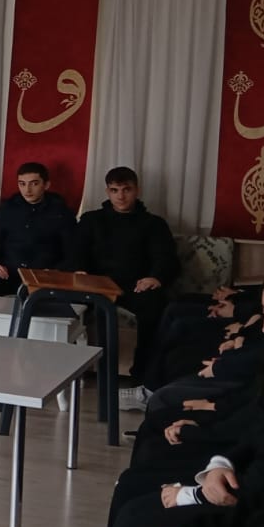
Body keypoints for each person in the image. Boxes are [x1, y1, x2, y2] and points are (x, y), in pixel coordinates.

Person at [68, 167, 180, 412]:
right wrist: (79, 271)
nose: (120, 196)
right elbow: (76, 252)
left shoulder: (153, 224)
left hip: (135, 286)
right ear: (107, 191)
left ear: (136, 190)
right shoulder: (91, 220)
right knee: (60, 303)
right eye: (115, 190)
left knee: (157, 307)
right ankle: (67, 370)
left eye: (126, 190)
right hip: (96, 285)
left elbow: (166, 258)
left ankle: (143, 376)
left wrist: (155, 277)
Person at [0, 161, 75, 295]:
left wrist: (56, 271)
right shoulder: (7, 209)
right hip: (9, 273)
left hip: (43, 276)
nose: (27, 190)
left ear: (46, 185)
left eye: (34, 184)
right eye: (22, 184)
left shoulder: (61, 212)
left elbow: (72, 252)